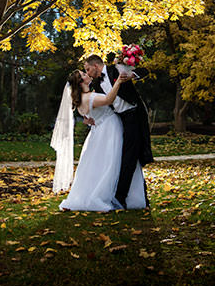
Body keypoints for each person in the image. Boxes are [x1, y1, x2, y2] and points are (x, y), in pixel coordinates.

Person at [58, 68, 145, 211]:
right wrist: (118, 82)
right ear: (81, 82)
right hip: (109, 129)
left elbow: (87, 119)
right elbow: (108, 99)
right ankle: (107, 196)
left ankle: (105, 193)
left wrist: (90, 120)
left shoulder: (81, 100)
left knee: (99, 165)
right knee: (113, 162)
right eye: (84, 75)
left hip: (98, 132)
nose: (87, 75)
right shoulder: (89, 97)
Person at [83, 53, 152, 209]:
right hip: (119, 121)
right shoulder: (97, 85)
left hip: (134, 116)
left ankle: (121, 197)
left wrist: (131, 75)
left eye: (88, 69)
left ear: (95, 66)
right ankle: (140, 199)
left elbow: (144, 71)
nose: (87, 73)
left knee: (131, 156)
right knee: (127, 158)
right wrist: (88, 118)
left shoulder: (117, 69)